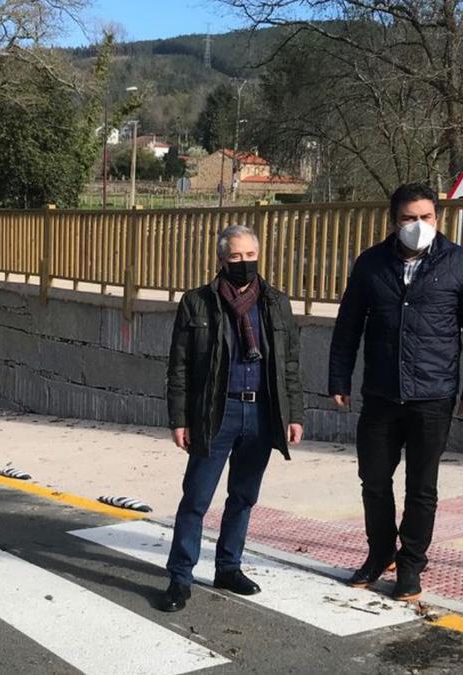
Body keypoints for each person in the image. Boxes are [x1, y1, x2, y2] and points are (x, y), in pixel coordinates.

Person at [328, 182, 463, 602]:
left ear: (437, 218)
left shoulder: (460, 264)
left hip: (432, 396)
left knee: (422, 487)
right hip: (382, 393)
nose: (417, 226)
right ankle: (379, 552)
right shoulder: (371, 264)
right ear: (394, 221)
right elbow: (348, 325)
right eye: (408, 218)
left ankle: (411, 563)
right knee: (373, 481)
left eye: (426, 217)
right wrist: (339, 379)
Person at [161, 224, 305, 612]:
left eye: (250, 256)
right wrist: (180, 419)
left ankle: (228, 567)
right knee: (196, 498)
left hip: (260, 413)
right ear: (221, 260)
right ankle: (179, 576)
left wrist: (293, 412)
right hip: (216, 413)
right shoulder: (197, 303)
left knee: (243, 496)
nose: (243, 263)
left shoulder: (275, 302)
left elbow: (289, 362)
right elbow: (180, 366)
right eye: (235, 257)